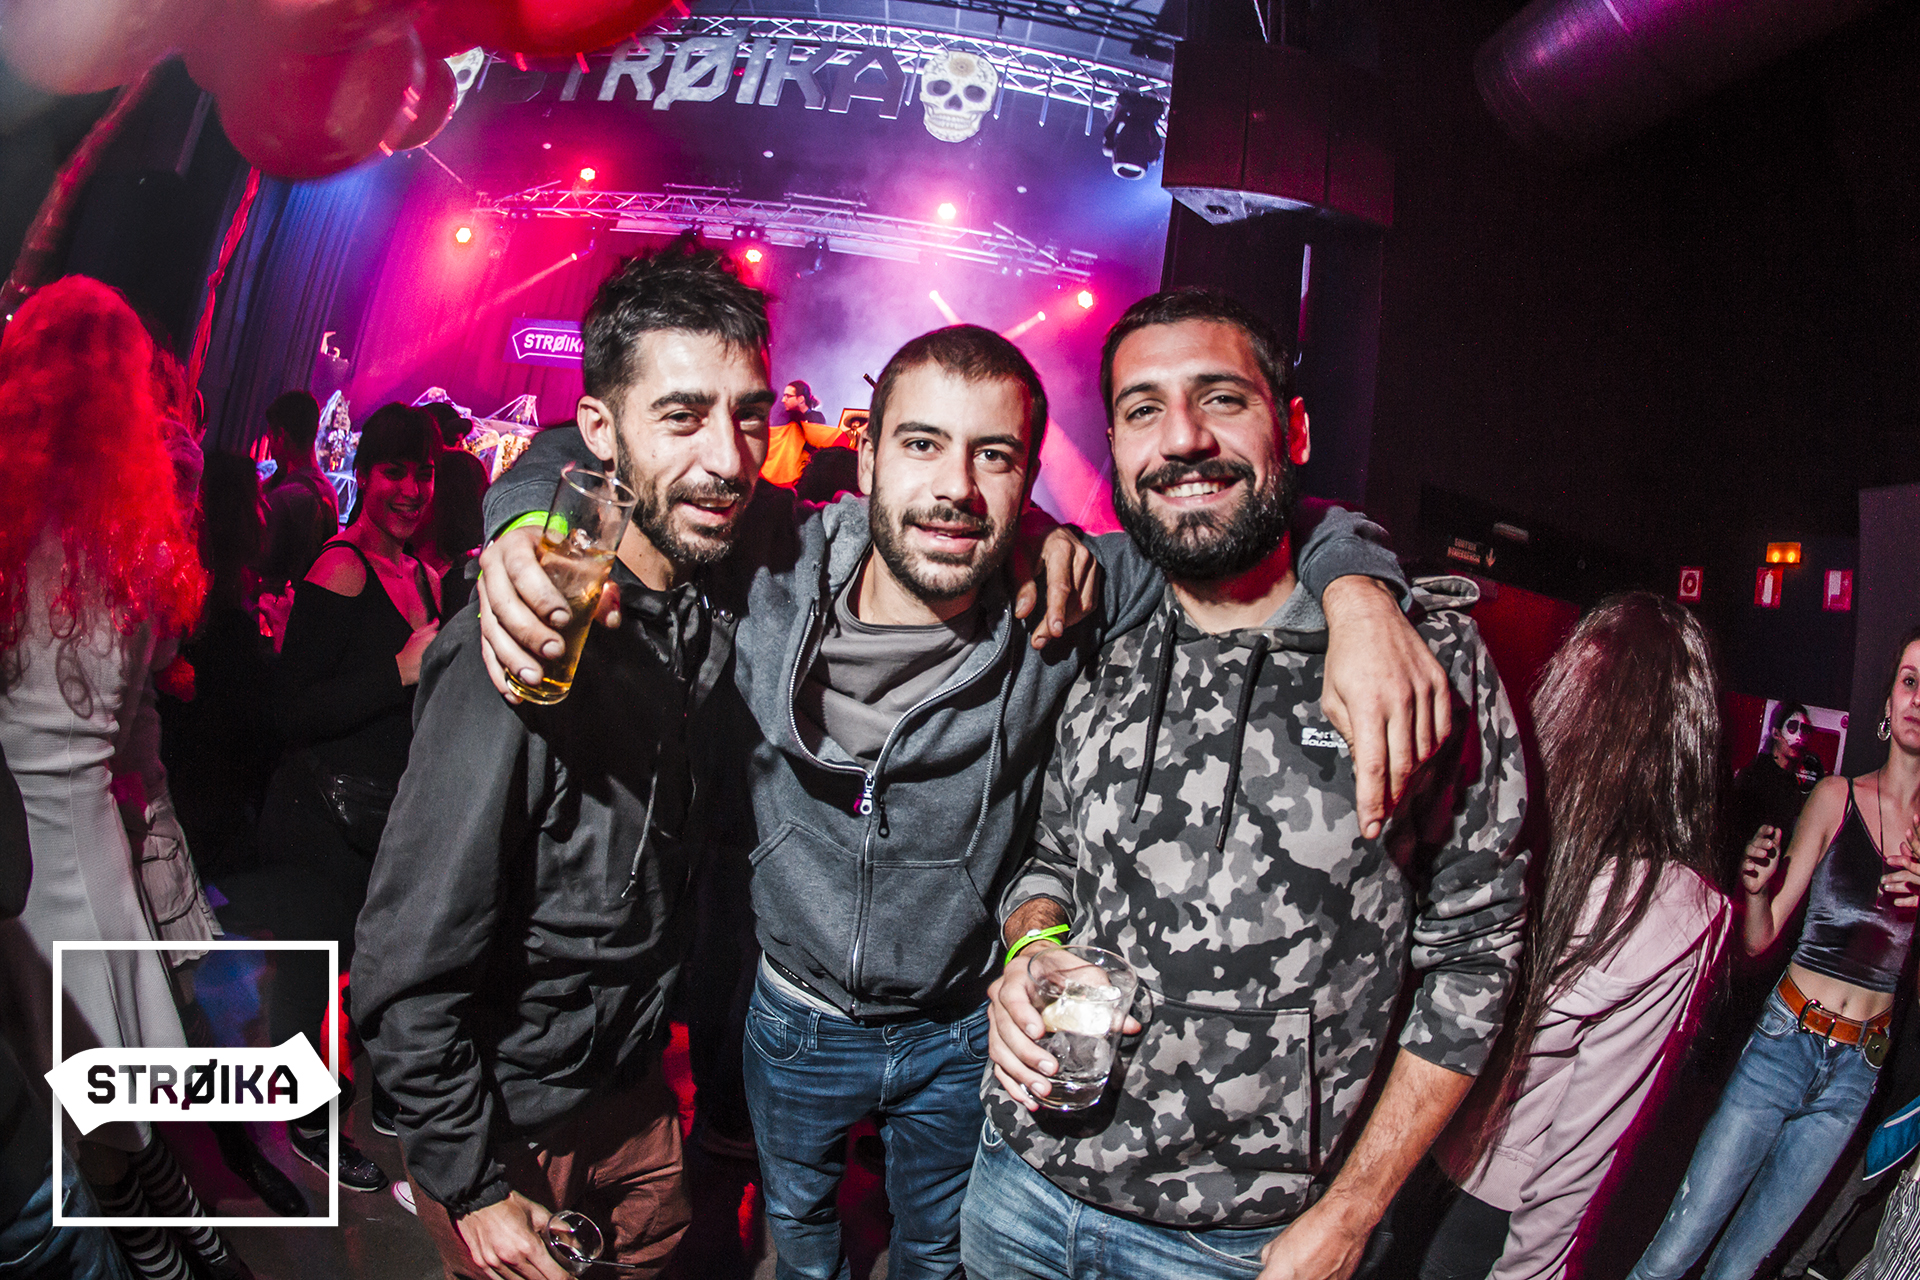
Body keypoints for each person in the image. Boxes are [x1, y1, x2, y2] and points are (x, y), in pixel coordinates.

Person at [474, 312, 1448, 1278]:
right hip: (796, 1010)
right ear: (866, 455)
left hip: (958, 1026)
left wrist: (1359, 588)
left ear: (1030, 478)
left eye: (994, 455)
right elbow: (592, 449)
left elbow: (1257, 514)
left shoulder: (1072, 598)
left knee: (933, 1250)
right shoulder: (769, 560)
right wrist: (523, 521)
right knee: (799, 1233)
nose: (955, 486)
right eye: (922, 444)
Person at [972, 288, 1529, 1280]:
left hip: (1237, 1244)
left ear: (1294, 428)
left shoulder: (1422, 661)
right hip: (1019, 1183)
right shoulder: (1097, 628)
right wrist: (1032, 947)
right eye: (1144, 409)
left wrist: (1352, 1214)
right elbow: (1049, 855)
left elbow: (1476, 960)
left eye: (1221, 397)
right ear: (1116, 449)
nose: (1183, 438)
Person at [355, 240, 787, 1280]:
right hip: (512, 1122)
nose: (729, 459)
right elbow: (403, 960)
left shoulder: (709, 602)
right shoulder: (525, 637)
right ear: (600, 429)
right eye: (681, 416)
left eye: (749, 416)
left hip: (636, 1095)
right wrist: (468, 1178)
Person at [0, 277, 246, 1280]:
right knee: (124, 1118)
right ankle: (208, 1258)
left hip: (21, 866)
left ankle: (176, 1265)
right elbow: (142, 720)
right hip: (97, 847)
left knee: (82, 1133)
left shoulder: (10, 536)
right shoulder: (136, 544)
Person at [1385, 593, 1730, 1280]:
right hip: (1482, 1203)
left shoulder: (1485, 805)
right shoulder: (1673, 911)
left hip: (1392, 1144)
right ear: (1690, 742)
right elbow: (1581, 1156)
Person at [1624, 626, 1920, 1280]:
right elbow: (1760, 937)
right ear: (1887, 701)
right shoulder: (1837, 797)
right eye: (1909, 681)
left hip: (1857, 1074)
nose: (1918, 698)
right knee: (1673, 1253)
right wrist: (1754, 892)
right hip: (1785, 1044)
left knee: (1739, 1270)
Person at [259, 402, 441, 1196]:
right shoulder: (342, 567)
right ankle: (306, 1126)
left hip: (382, 817)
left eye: (422, 474)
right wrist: (397, 671)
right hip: (320, 819)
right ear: (364, 475)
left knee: (374, 970)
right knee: (313, 977)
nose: (411, 490)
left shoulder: (424, 576)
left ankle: (370, 1099)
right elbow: (289, 710)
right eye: (394, 472)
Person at [257, 389, 341, 593]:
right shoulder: (328, 490)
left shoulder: (285, 498)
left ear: (281, 436)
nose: (272, 450)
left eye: (271, 438)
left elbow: (259, 567)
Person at [1730, 699, 1820, 885]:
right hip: (1747, 873)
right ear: (1776, 733)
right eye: (1792, 727)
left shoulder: (1793, 782)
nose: (1799, 737)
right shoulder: (1755, 775)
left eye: (1804, 730)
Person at [420, 400, 489, 603]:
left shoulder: (465, 467)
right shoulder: (464, 465)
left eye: (457, 440)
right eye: (449, 438)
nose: (458, 443)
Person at [762, 378, 853, 487]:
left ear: (801, 399)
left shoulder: (816, 418)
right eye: (784, 396)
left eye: (788, 396)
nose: (783, 400)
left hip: (807, 476)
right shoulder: (785, 417)